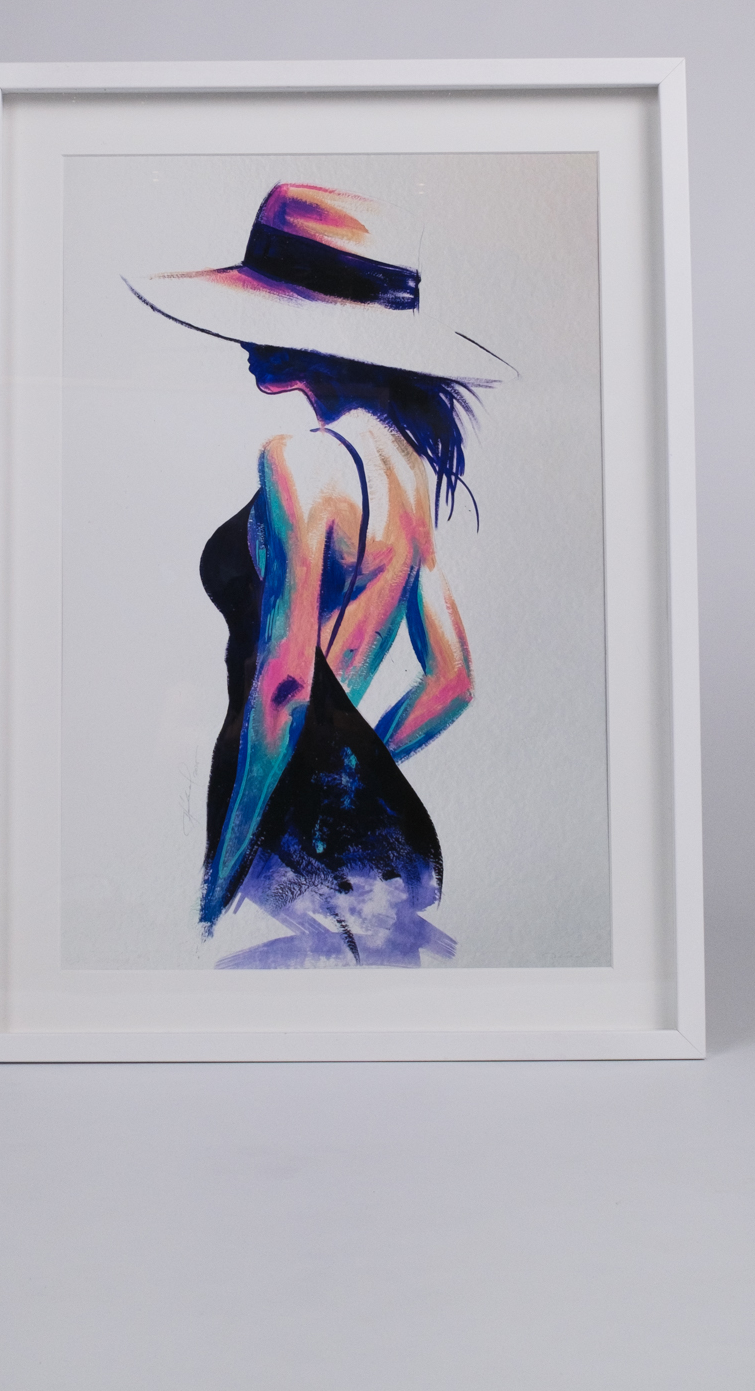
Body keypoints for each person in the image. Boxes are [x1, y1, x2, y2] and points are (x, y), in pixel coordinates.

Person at [127, 182, 511, 967]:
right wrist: (355, 779)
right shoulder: (407, 469)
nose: (244, 335)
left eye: (267, 310)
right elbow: (452, 681)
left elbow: (283, 688)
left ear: (327, 329)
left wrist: (219, 881)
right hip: (375, 852)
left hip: (286, 853)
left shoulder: (297, 465)